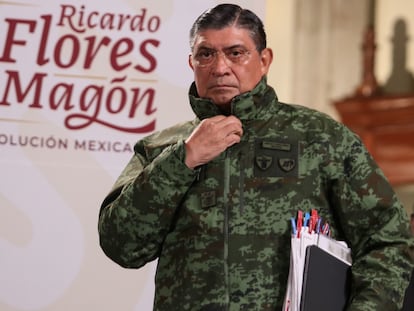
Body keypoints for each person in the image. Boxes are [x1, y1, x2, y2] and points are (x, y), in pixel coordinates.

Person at [98, 4, 414, 310]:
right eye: (206, 54)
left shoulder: (321, 137)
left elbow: (387, 239)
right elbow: (122, 246)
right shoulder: (160, 148)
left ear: (264, 60)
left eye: (236, 53)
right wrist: (183, 159)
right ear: (191, 62)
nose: (220, 67)